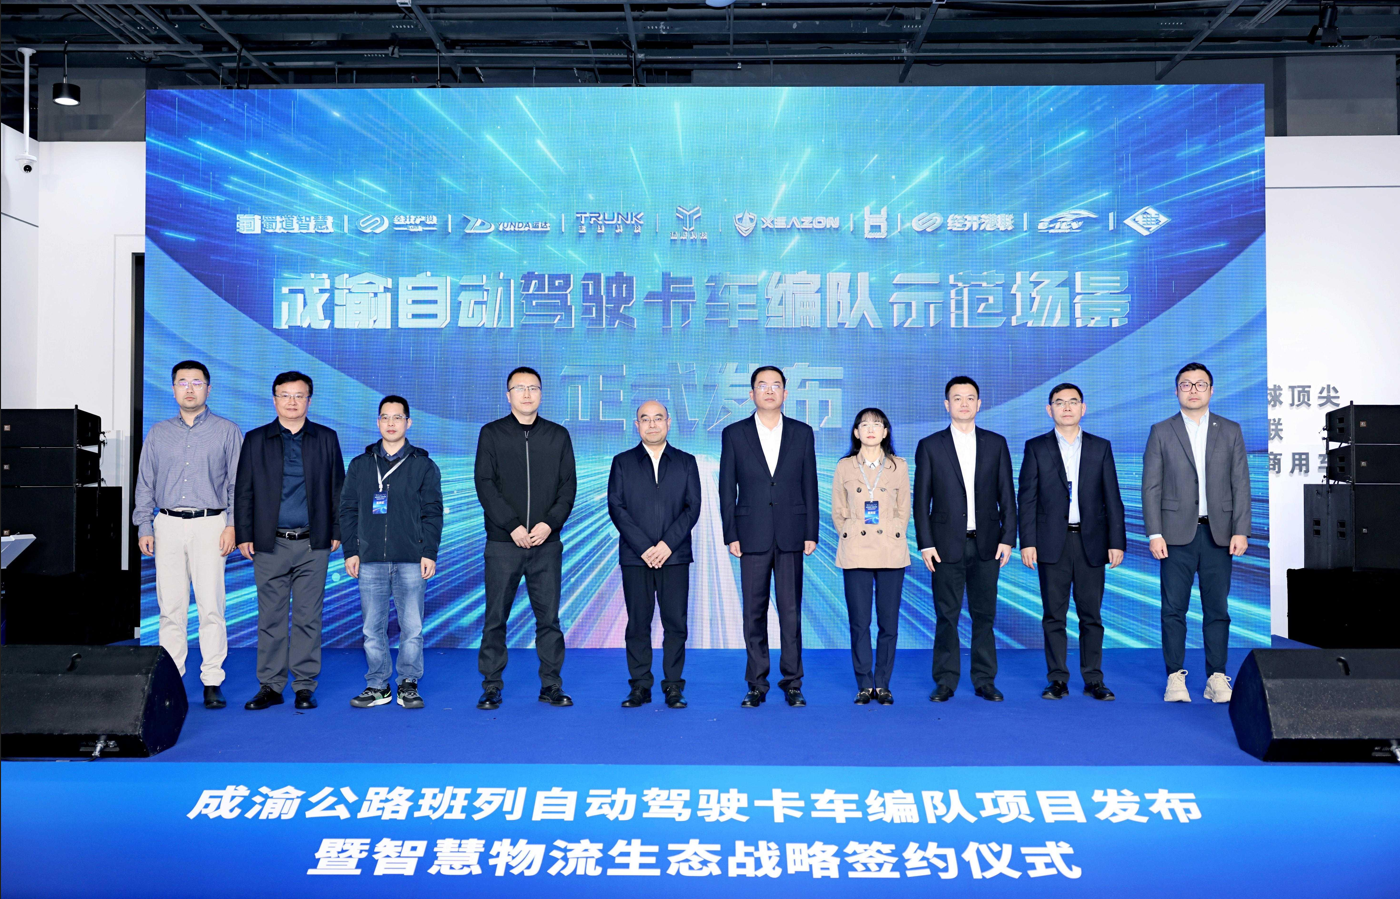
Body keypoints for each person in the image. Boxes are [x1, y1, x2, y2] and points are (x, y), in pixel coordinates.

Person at [133, 360, 242, 710]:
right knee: (171, 607)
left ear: (209, 388)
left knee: (211, 606)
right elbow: (145, 483)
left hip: (212, 524)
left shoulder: (227, 431)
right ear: (173, 389)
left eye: (197, 382)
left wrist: (233, 525)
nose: (190, 389)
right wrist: (144, 525)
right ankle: (172, 680)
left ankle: (212, 680)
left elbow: (237, 484)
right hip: (166, 524)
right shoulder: (158, 432)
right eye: (182, 382)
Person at [235, 371, 344, 711]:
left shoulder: (326, 438)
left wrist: (337, 530)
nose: (292, 401)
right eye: (285, 395)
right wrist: (244, 534)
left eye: (299, 395)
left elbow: (338, 488)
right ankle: (270, 685)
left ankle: (304, 686)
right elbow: (244, 490)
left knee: (308, 617)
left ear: (309, 400)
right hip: (270, 543)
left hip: (314, 543)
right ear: (274, 400)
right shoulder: (256, 439)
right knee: (271, 617)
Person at [1142, 363, 1251, 704]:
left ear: (1211, 390)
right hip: (1175, 535)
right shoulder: (1162, 431)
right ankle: (1175, 677)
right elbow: (1151, 487)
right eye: (1186, 384)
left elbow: (1241, 484)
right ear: (1176, 391)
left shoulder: (1230, 430)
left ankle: (1216, 677)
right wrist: (1154, 533)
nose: (1193, 390)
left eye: (1200, 384)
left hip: (1219, 534)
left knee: (1217, 609)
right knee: (1173, 609)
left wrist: (1241, 530)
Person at [474, 366, 577, 710]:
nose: (527, 394)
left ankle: (551, 685)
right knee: (495, 618)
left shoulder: (558, 436)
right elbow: (485, 484)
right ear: (508, 395)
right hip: (504, 543)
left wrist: (549, 524)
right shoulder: (492, 433)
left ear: (541, 394)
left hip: (546, 544)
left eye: (533, 387)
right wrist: (512, 526)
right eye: (520, 388)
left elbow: (568, 487)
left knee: (549, 620)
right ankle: (491, 686)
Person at [719, 365, 819, 708]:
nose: (769, 391)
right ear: (751, 394)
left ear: (785, 393)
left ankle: (792, 682)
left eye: (776, 385)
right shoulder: (734, 433)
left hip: (792, 533)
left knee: (790, 612)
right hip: (751, 534)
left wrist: (811, 530)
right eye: (762, 385)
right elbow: (726, 487)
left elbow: (809, 484)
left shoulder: (802, 433)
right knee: (754, 612)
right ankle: (756, 683)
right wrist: (730, 532)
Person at [1018, 383, 1126, 702]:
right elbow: (1027, 499)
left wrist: (1116, 541)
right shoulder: (1036, 447)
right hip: (1052, 542)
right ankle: (1057, 679)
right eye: (1059, 402)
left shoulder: (1100, 447)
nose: (1067, 407)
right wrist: (1027, 542)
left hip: (1091, 541)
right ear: (1049, 409)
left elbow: (1112, 498)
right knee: (1054, 615)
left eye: (1073, 402)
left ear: (1083, 408)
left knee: (1091, 615)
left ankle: (1094, 679)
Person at [913, 376, 1016, 703]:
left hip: (988, 544)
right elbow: (921, 501)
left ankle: (985, 680)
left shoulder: (995, 443)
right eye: (957, 398)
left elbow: (1007, 494)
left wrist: (1008, 537)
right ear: (947, 404)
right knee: (947, 615)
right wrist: (926, 543)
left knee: (984, 616)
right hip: (944, 545)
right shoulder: (930, 445)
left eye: (970, 397)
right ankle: (945, 680)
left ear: (979, 404)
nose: (964, 403)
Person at [340, 396, 443, 711]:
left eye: (397, 417)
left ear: (408, 422)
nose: (391, 423)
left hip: (411, 558)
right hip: (370, 559)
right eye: (385, 417)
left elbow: (432, 512)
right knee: (372, 628)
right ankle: (378, 685)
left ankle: (408, 683)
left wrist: (429, 552)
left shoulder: (423, 465)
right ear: (378, 422)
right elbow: (347, 510)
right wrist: (351, 550)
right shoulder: (360, 465)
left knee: (412, 627)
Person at [606, 400, 702, 709]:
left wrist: (666, 546)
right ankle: (640, 686)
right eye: (645, 419)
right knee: (638, 623)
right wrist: (645, 548)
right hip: (636, 557)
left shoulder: (686, 462)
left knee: (675, 623)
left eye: (658, 418)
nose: (652, 424)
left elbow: (692, 508)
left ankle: (673, 685)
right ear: (637, 426)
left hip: (674, 556)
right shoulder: (622, 462)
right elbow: (616, 508)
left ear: (668, 423)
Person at [831, 408, 910, 705]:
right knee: (859, 622)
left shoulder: (899, 466)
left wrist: (892, 533)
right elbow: (838, 510)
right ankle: (865, 684)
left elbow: (904, 510)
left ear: (886, 431)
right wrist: (850, 531)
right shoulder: (845, 466)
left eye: (877, 424)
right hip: (856, 550)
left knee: (888, 623)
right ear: (856, 432)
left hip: (890, 549)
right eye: (864, 425)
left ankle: (883, 684)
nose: (871, 429)